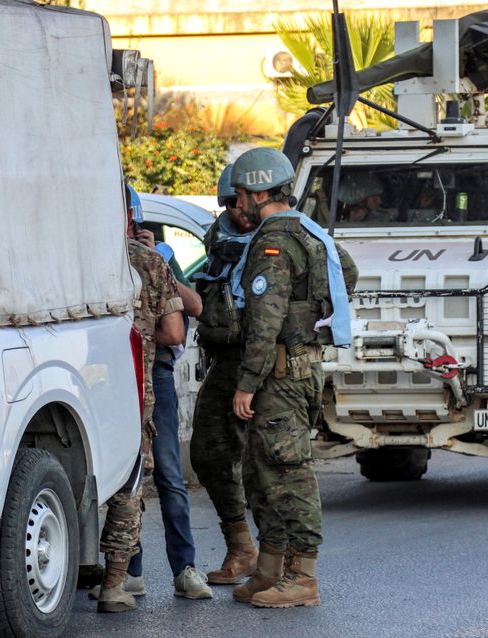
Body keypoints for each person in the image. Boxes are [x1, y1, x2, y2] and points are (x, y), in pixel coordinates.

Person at [228, 148, 358, 608]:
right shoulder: (310, 233)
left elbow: (265, 321)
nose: (237, 203)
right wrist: (314, 310)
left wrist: (246, 382)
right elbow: (349, 272)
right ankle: (270, 569)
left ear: (260, 192)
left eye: (241, 194)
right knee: (262, 471)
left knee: (288, 474)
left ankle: (303, 577)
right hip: (296, 369)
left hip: (279, 375)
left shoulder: (275, 244)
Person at [96, 184, 189, 613]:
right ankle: (117, 583)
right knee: (131, 483)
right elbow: (175, 332)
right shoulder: (147, 261)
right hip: (134, 388)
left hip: (77, 381)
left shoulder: (74, 259)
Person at [119, 186, 210, 602]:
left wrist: (162, 265)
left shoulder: (155, 260)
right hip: (135, 374)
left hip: (147, 373)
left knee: (152, 475)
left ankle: (180, 568)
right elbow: (175, 328)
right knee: (146, 475)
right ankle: (134, 570)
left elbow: (195, 307)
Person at [189, 163, 260, 586]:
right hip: (226, 359)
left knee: (269, 463)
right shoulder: (220, 238)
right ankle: (242, 545)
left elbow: (342, 275)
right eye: (231, 202)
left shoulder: (286, 235)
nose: (239, 208)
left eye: (244, 199)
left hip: (269, 360)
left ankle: (281, 557)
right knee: (209, 453)